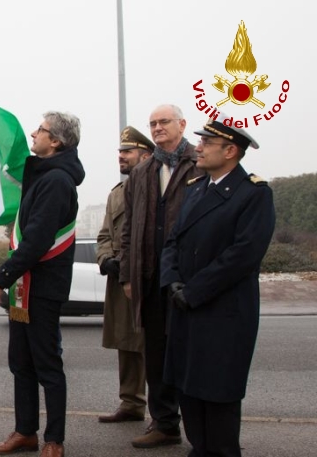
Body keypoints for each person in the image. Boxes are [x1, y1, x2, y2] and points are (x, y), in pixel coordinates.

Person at [161, 114, 274, 456]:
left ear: (230, 151)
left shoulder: (253, 193)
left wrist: (193, 291)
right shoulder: (196, 190)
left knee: (218, 397)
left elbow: (243, 256)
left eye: (206, 143)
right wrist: (172, 282)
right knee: (189, 392)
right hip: (185, 308)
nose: (198, 148)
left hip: (222, 313)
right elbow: (173, 242)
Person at [0, 111, 85, 457]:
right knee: (21, 364)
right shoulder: (41, 177)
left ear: (55, 141)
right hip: (24, 290)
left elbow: (38, 240)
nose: (33, 133)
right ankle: (25, 432)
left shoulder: (56, 180)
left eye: (40, 129)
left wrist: (0, 280)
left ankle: (54, 440)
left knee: (47, 366)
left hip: (41, 289)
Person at [119, 104, 202, 448]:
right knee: (156, 356)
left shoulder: (200, 163)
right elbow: (128, 229)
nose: (157, 128)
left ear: (182, 124)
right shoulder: (142, 172)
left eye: (164, 122)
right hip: (150, 279)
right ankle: (164, 423)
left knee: (191, 354)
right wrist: (127, 275)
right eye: (152, 123)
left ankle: (201, 429)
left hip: (188, 279)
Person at [96, 126, 153, 423]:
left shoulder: (159, 187)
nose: (121, 156)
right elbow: (104, 234)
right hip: (120, 278)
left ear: (145, 155)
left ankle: (164, 414)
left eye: (127, 152)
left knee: (154, 344)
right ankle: (131, 404)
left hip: (148, 277)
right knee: (127, 343)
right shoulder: (116, 194)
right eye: (120, 152)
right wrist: (106, 259)